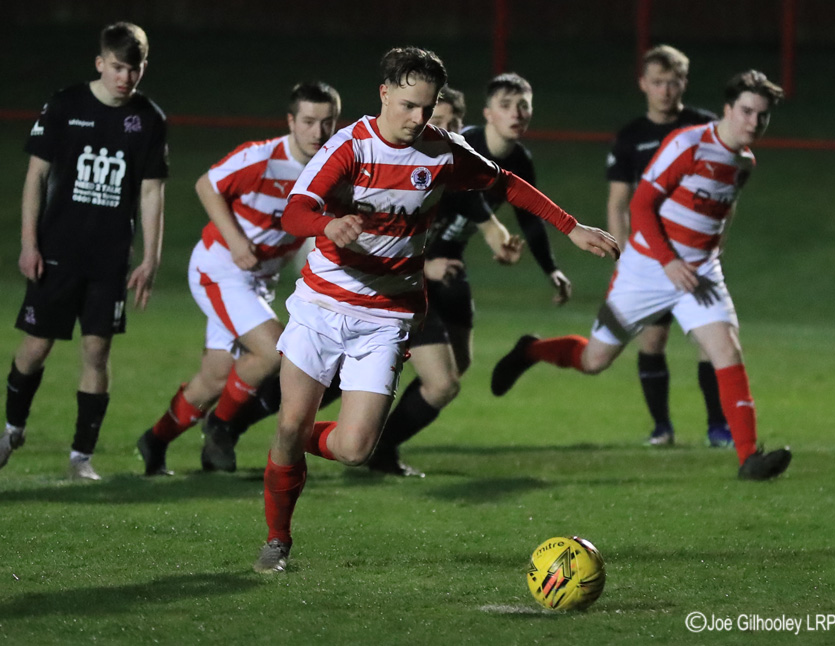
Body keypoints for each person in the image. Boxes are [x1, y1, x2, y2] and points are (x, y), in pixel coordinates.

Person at [254, 46, 619, 573]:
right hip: (322, 305)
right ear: (383, 94)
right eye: (408, 105)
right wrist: (327, 224)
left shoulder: (442, 150)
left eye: (426, 108)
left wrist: (571, 226)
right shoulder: (350, 147)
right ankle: (277, 538)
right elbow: (295, 211)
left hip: (387, 316)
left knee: (354, 450)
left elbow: (504, 182)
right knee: (292, 423)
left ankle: (290, 437)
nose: (417, 118)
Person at [491, 70, 791, 482]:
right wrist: (668, 261)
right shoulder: (688, 144)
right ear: (727, 108)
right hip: (647, 269)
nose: (754, 122)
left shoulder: (744, 162)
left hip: (700, 272)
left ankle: (749, 459)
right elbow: (642, 205)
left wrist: (714, 244)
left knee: (727, 351)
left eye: (762, 115)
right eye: (746, 111)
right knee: (594, 361)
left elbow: (724, 206)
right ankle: (531, 350)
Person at [136, 82, 341, 476]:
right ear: (291, 122)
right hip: (220, 269)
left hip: (258, 281)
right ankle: (221, 428)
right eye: (308, 121)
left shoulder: (330, 169)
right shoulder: (263, 158)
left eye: (327, 122)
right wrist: (235, 241)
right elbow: (206, 185)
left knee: (214, 379)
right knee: (272, 352)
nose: (318, 131)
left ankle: (155, 440)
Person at [1, 22, 167, 480]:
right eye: (117, 67)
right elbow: (36, 176)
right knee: (36, 347)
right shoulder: (65, 105)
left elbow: (152, 192)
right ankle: (12, 429)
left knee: (96, 351)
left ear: (143, 68)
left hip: (109, 260)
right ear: (100, 63)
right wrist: (29, 243)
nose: (125, 77)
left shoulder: (149, 119)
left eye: (134, 69)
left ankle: (81, 457)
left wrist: (150, 259)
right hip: (56, 252)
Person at [365, 87, 524, 477]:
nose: (448, 130)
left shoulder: (454, 170)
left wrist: (503, 244)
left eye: (455, 123)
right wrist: (426, 268)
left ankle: (376, 445)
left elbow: (488, 221)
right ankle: (374, 447)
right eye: (439, 121)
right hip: (399, 285)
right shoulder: (396, 171)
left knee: (457, 366)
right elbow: (370, 249)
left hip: (443, 281)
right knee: (440, 383)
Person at [607, 45, 732, 449]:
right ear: (643, 84)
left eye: (673, 82)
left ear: (684, 83)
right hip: (650, 259)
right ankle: (662, 427)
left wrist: (716, 242)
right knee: (652, 341)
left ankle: (718, 428)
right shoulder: (631, 137)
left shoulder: (706, 127)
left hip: (694, 258)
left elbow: (724, 190)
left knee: (709, 343)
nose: (665, 90)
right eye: (657, 82)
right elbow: (619, 204)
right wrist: (624, 259)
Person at [463, 73, 574, 306]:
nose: (516, 114)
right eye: (505, 105)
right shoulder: (463, 146)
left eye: (523, 105)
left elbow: (529, 217)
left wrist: (551, 269)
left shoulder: (520, 161)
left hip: (447, 257)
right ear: (488, 114)